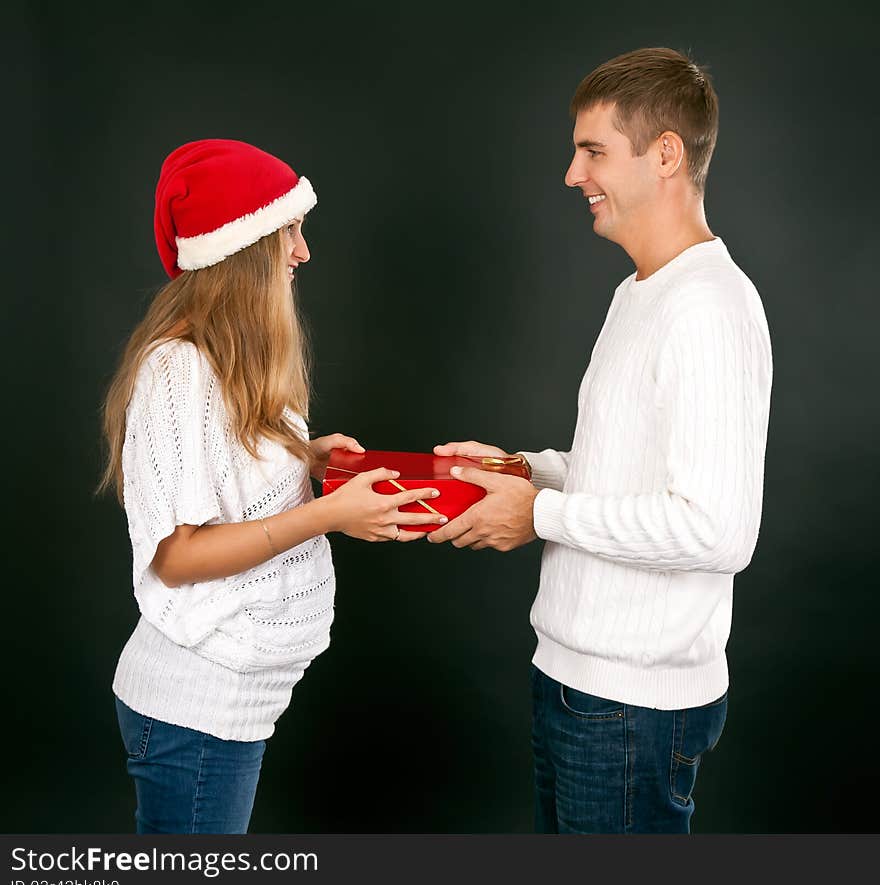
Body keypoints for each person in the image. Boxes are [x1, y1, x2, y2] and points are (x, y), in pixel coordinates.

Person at [428, 48, 773, 833]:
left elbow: (716, 528)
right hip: (577, 686)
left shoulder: (709, 308)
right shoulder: (638, 293)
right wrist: (520, 470)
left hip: (631, 710)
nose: (571, 174)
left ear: (665, 155)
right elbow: (627, 473)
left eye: (593, 151)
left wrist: (537, 515)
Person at [96, 138, 446, 833]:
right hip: (192, 712)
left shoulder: (233, 360)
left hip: (228, 704)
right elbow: (178, 554)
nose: (302, 251)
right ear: (243, 245)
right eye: (289, 229)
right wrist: (327, 515)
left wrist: (306, 459)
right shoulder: (179, 371)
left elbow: (223, 474)